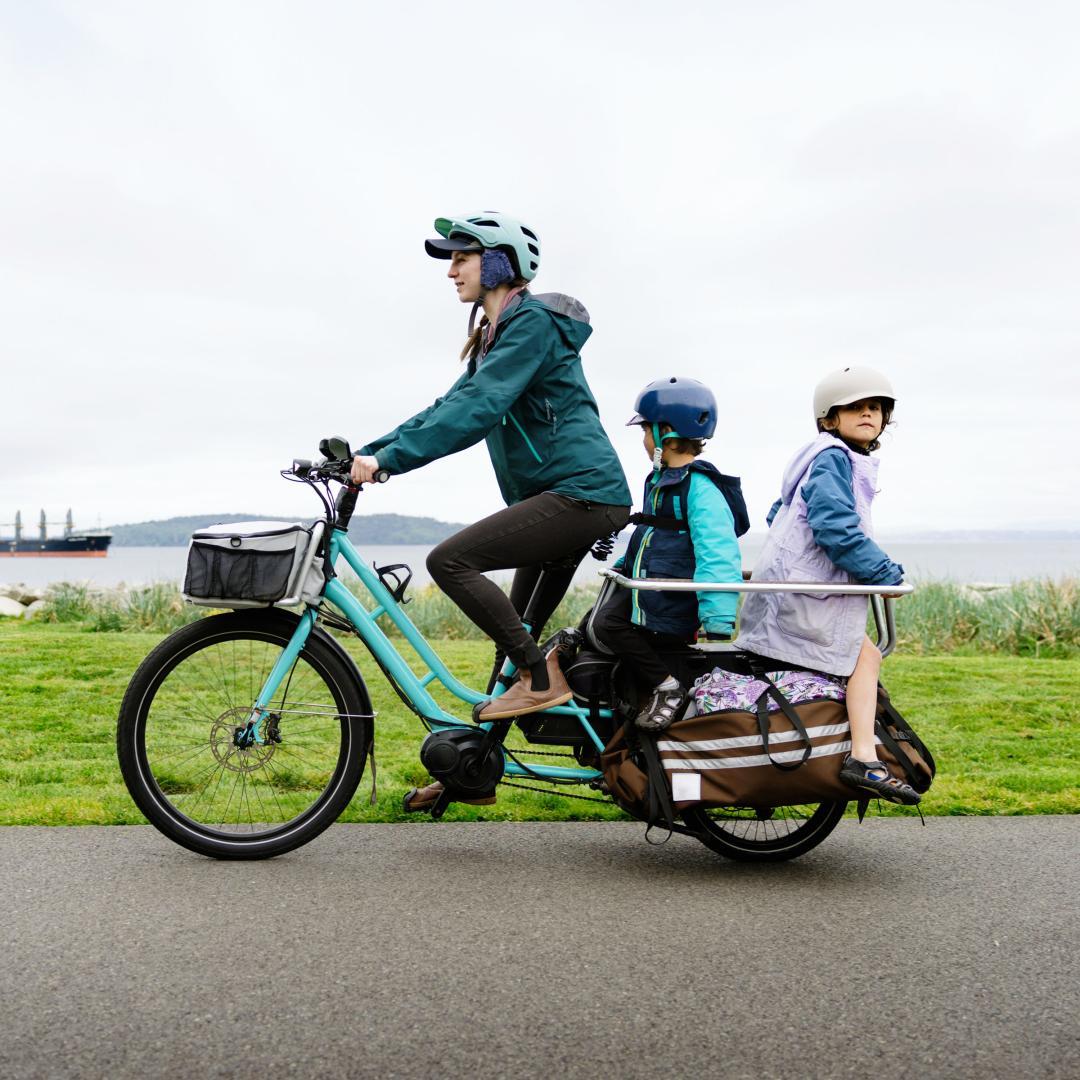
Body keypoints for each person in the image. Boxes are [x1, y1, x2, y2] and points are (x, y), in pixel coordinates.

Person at [349, 212, 631, 810]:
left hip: (584, 494)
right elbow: (448, 404)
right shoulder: (496, 339)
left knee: (449, 561)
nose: (451, 270)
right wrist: (372, 451)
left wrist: (393, 462)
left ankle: (542, 678)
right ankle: (471, 774)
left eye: (463, 258)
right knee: (514, 646)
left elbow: (479, 409)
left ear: (501, 263)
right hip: (560, 498)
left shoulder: (530, 326)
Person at [735, 366, 920, 804]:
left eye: (875, 408)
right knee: (866, 657)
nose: (868, 414)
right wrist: (884, 575)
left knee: (865, 656)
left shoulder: (820, 456)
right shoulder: (833, 459)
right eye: (855, 407)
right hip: (803, 600)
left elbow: (779, 514)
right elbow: (836, 529)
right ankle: (863, 758)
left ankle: (860, 752)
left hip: (794, 594)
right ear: (828, 417)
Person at [591, 377, 743, 731]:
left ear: (667, 433)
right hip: (650, 591)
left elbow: (718, 554)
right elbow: (648, 537)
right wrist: (619, 569)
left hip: (671, 601)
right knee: (593, 622)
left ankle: (668, 687)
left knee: (607, 625)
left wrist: (718, 624)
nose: (643, 439)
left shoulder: (701, 489)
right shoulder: (660, 480)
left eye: (646, 429)